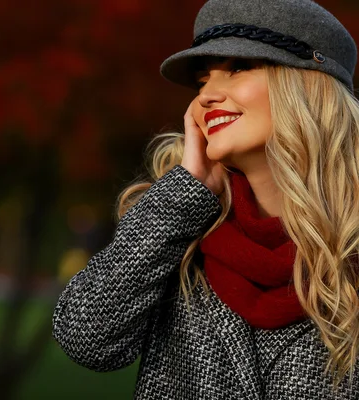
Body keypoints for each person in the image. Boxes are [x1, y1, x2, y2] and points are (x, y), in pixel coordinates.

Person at [51, 0, 359, 399]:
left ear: (308, 84)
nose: (208, 95)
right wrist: (184, 194)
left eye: (238, 69)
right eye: (202, 81)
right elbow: (86, 337)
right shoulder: (182, 230)